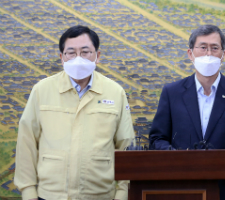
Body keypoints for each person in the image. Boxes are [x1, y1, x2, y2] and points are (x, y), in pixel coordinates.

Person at [14, 25, 135, 200]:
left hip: (100, 195)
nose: (78, 58)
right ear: (62, 58)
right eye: (71, 52)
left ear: (97, 56)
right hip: (50, 195)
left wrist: (123, 192)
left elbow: (127, 146)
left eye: (85, 52)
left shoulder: (115, 92)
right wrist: (28, 191)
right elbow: (27, 143)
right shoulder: (42, 90)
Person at [149, 24, 225, 200]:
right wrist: (176, 159)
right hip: (180, 188)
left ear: (223, 55)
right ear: (190, 54)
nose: (208, 53)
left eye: (214, 48)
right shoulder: (172, 93)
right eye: (203, 47)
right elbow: (157, 139)